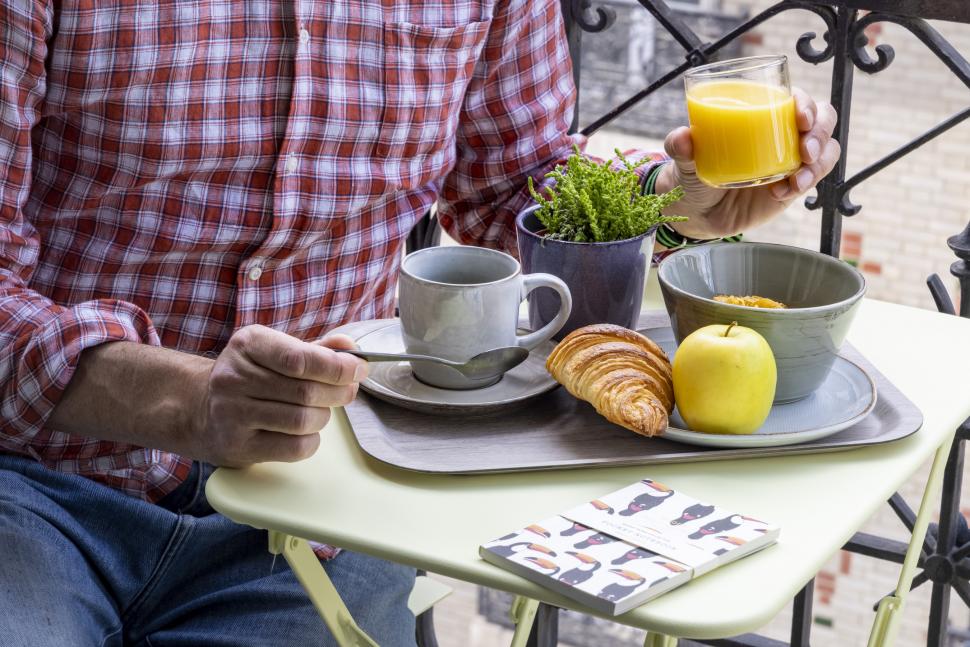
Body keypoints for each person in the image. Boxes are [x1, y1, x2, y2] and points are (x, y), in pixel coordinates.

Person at [0, 0, 839, 645]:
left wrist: (673, 205)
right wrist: (182, 400)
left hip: (328, 505)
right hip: (36, 481)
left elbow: (517, 193)